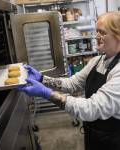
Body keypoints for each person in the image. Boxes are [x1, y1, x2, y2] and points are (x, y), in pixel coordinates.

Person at [18, 11, 120, 150]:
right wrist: (42, 79)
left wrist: (47, 94)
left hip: (113, 140)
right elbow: (72, 84)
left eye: (102, 32)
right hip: (93, 134)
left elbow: (91, 109)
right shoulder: (98, 61)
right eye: (96, 31)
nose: (96, 36)